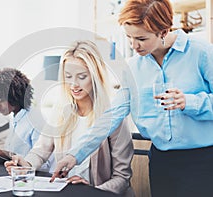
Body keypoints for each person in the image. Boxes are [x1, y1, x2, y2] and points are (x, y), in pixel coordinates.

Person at [52, 1, 213, 196]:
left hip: (203, 161)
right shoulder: (133, 67)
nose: (133, 45)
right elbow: (111, 116)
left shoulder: (201, 52)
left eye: (141, 38)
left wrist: (191, 102)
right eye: (129, 37)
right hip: (162, 162)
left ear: (163, 31)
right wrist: (74, 155)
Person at [4, 41, 134, 196]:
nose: (74, 84)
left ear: (95, 76)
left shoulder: (113, 117)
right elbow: (41, 150)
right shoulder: (60, 110)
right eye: (68, 76)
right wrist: (25, 165)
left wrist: (91, 190)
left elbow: (122, 178)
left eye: (82, 77)